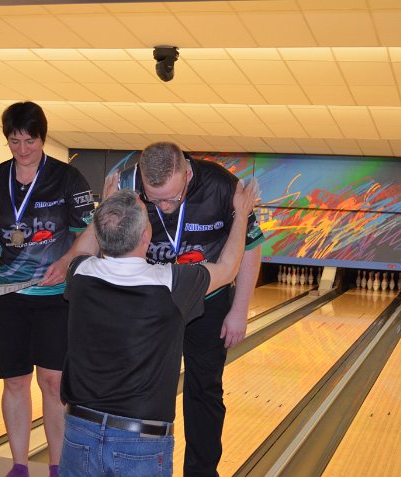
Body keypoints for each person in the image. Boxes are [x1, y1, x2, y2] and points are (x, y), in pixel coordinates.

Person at [49, 142, 264, 476]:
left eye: (172, 198)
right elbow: (226, 265)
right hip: (152, 298)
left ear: (187, 174)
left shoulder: (222, 186)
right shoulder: (128, 184)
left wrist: (239, 309)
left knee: (205, 390)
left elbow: (249, 247)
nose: (163, 208)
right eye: (154, 200)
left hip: (205, 301)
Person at [0, 101, 94, 477]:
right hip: (6, 298)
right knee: (15, 380)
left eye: (30, 141)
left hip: (56, 297)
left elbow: (88, 233)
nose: (22, 149)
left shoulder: (68, 178)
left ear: (43, 138)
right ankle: (19, 465)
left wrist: (67, 260)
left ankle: (57, 466)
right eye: (14, 141)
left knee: (53, 382)